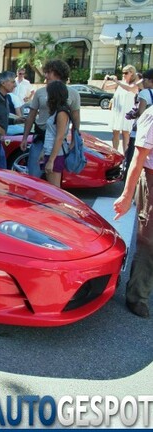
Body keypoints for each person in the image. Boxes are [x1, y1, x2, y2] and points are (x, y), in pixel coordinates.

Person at [113, 102, 153, 318]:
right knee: (149, 242)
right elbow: (137, 160)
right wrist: (126, 197)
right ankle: (138, 296)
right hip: (151, 178)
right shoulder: (152, 115)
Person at [20, 59, 81, 178]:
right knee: (34, 176)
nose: (45, 75)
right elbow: (31, 115)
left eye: (49, 72)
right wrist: (25, 137)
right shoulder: (40, 92)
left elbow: (76, 119)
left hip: (57, 140)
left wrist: (74, 140)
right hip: (40, 138)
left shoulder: (73, 93)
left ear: (57, 73)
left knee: (53, 179)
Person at [103, 64, 138, 153]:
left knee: (126, 134)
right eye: (122, 73)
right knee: (115, 133)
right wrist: (105, 80)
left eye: (126, 73)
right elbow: (104, 88)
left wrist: (117, 81)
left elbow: (129, 89)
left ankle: (126, 156)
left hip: (127, 112)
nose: (123, 75)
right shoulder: (119, 83)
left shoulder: (134, 84)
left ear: (131, 73)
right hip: (117, 112)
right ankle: (115, 153)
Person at [42, 80, 71, 187]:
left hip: (56, 154)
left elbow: (59, 137)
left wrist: (51, 160)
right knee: (51, 188)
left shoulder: (61, 113)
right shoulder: (57, 111)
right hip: (51, 151)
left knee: (54, 189)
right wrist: (43, 152)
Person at [0, 71, 18, 168]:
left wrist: (15, 121)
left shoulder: (6, 97)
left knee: (1, 173)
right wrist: (0, 132)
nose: (15, 85)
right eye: (13, 82)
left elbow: (1, 118)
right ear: (3, 83)